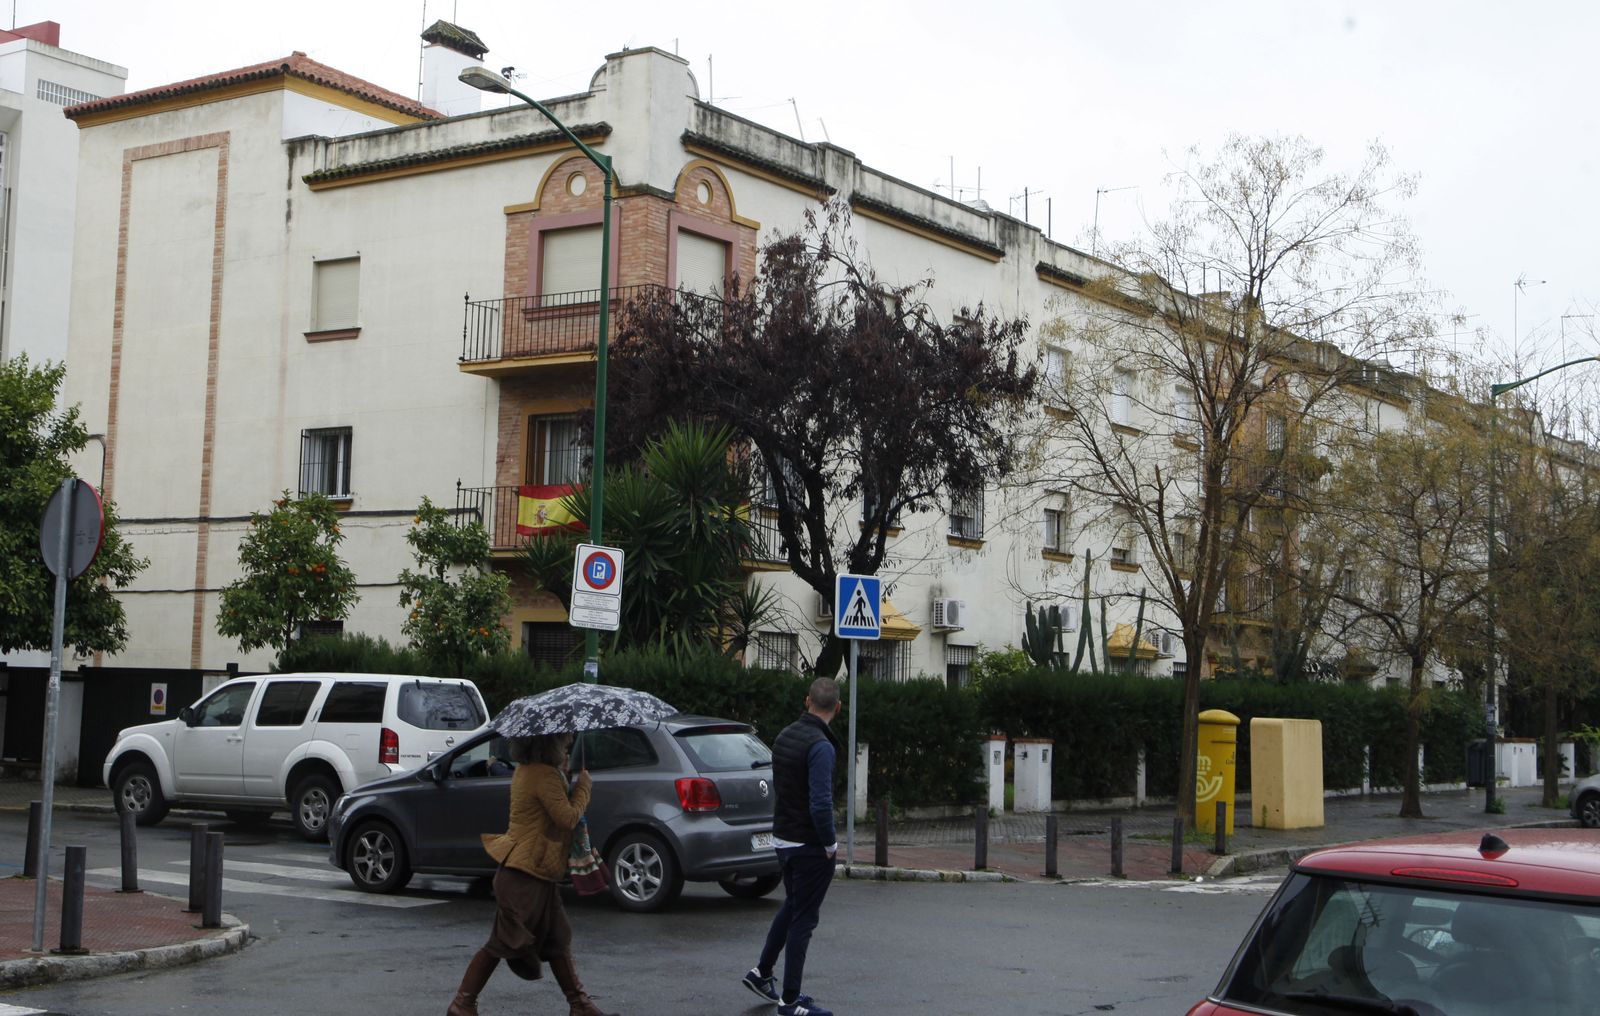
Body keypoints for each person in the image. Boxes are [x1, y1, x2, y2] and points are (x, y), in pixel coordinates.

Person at [447, 732, 619, 1016]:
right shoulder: (543, 776)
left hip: (535, 870)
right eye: (563, 742)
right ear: (547, 744)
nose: (567, 745)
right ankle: (462, 1003)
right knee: (502, 942)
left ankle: (579, 1004)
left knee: (558, 939)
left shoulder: (531, 771)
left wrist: (565, 781)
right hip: (524, 876)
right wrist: (583, 788)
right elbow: (567, 818)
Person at [741, 677, 843, 1016]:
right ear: (838, 708)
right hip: (809, 845)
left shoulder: (785, 736)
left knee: (792, 906)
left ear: (807, 701)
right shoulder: (821, 746)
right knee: (804, 919)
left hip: (783, 837)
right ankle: (790, 1000)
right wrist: (829, 843)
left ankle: (761, 972)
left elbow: (783, 786)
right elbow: (820, 803)